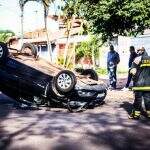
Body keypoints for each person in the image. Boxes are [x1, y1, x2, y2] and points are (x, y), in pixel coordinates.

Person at [129, 47, 150, 119]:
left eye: (138, 51)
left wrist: (132, 73)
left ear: (141, 51)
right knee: (148, 100)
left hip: (139, 85)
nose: (137, 52)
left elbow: (133, 71)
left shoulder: (137, 59)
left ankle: (136, 115)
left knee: (138, 100)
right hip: (148, 85)